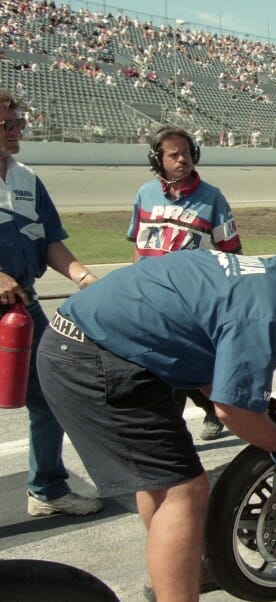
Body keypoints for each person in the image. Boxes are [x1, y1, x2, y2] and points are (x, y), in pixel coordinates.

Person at [35, 240, 276, 602]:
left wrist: (259, 415)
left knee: (159, 482)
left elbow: (209, 361)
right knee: (184, 492)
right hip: (96, 360)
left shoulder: (259, 272)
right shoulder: (268, 310)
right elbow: (232, 411)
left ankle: (176, 567)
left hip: (88, 344)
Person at [0, 91, 102, 518]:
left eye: (17, 120)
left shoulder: (25, 178)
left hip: (23, 309)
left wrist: (83, 276)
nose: (18, 128)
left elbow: (50, 242)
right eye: (8, 124)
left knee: (51, 395)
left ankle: (46, 489)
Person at [127, 125, 242, 441]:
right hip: (149, 298)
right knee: (161, 370)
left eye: (187, 154)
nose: (182, 160)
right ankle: (191, 420)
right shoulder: (145, 194)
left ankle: (173, 437)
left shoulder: (212, 198)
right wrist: (133, 284)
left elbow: (231, 252)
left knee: (179, 370)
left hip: (191, 303)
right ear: (158, 160)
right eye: (174, 155)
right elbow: (138, 244)